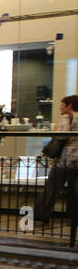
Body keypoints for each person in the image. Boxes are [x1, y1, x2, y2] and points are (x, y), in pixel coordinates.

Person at [36, 94, 78, 226]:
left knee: (52, 187)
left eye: (62, 104)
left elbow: (62, 136)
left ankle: (41, 214)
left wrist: (55, 132)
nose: (60, 107)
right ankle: (74, 216)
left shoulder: (67, 117)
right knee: (75, 188)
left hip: (66, 158)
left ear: (69, 105)